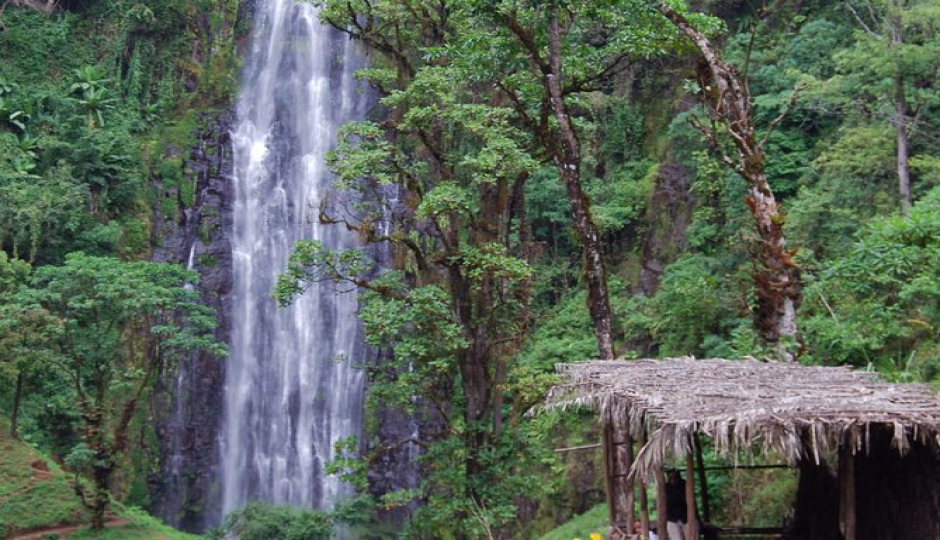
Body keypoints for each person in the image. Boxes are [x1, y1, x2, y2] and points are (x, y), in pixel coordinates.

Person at [664, 469, 687, 540]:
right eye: (671, 478)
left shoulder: (684, 485)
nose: (673, 480)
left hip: (686, 518)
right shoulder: (666, 487)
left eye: (675, 478)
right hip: (672, 519)